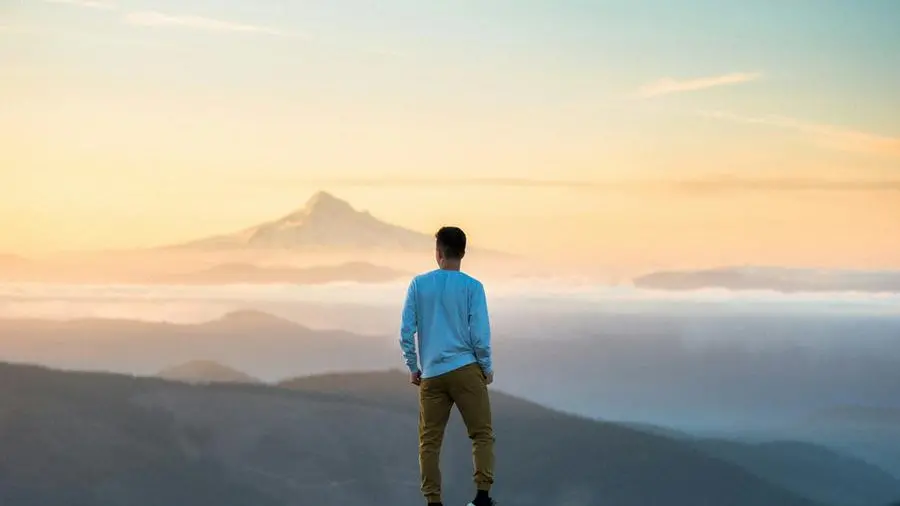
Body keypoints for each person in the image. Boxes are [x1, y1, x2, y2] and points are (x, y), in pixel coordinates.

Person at [400, 226, 496, 506]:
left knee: (429, 442)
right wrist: (486, 367)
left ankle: (433, 501)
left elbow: (406, 332)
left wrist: (413, 366)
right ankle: (481, 496)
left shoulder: (418, 285)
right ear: (463, 253)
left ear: (438, 253)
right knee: (481, 434)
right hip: (466, 369)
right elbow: (480, 335)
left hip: (431, 374)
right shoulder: (473, 287)